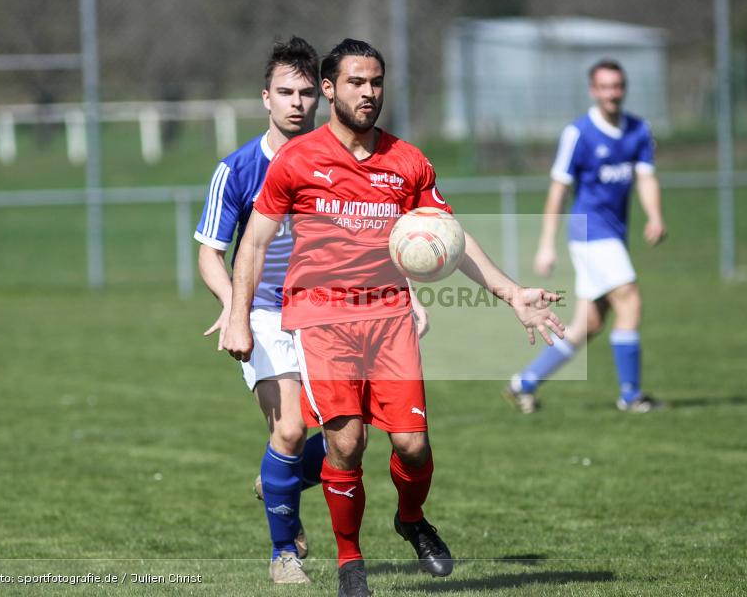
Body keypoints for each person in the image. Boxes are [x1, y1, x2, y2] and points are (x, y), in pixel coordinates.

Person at [222, 39, 565, 597]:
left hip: (390, 316)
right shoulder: (297, 159)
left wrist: (511, 291)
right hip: (321, 319)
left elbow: (450, 237)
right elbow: (254, 244)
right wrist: (238, 316)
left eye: (376, 82)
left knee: (412, 445)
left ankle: (411, 518)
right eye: (356, 82)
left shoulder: (408, 161)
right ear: (329, 89)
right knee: (347, 444)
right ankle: (350, 563)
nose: (369, 92)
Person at [193, 36, 326, 584]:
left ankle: (277, 480)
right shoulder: (239, 168)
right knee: (291, 430)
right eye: (285, 92)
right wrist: (235, 308)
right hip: (266, 312)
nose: (296, 102)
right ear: (265, 97)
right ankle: (283, 555)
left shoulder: (339, 163)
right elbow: (210, 253)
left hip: (326, 312)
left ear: (320, 97)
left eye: (305, 93)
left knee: (352, 439)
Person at [504, 58, 667, 414]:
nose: (612, 94)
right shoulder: (578, 133)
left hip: (614, 234)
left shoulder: (639, 130)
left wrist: (655, 216)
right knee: (630, 299)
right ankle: (631, 396)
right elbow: (558, 190)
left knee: (588, 324)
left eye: (617, 86)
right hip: (589, 231)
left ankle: (523, 384)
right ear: (593, 90)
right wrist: (546, 244)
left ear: (624, 89)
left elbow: (645, 178)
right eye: (605, 87)